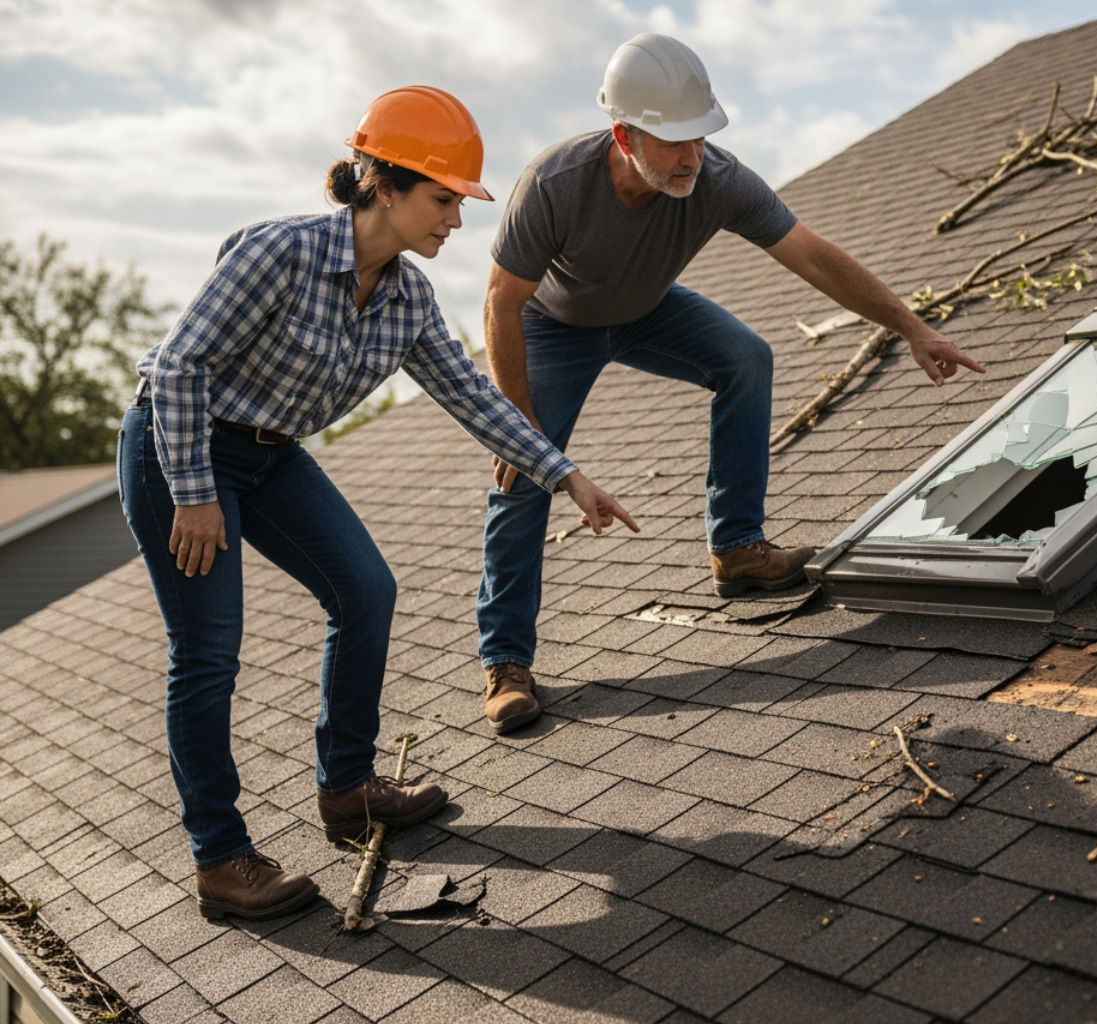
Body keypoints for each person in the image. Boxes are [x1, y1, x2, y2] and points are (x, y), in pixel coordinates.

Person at [118, 86, 637, 921]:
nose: (455, 224)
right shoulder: (279, 253)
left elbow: (473, 395)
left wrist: (566, 475)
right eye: (443, 200)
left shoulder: (407, 301)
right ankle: (220, 857)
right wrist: (193, 493)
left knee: (366, 590)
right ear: (382, 187)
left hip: (271, 454)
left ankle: (348, 787)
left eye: (461, 205)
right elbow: (178, 367)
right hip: (177, 446)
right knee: (209, 649)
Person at [475, 33, 983, 734]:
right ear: (625, 134)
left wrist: (912, 326)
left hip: (647, 308)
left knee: (745, 356)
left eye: (701, 138)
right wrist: (517, 425)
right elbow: (500, 303)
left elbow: (814, 256)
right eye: (675, 142)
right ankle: (506, 661)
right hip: (550, 326)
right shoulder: (555, 185)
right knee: (521, 469)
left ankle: (737, 550)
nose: (693, 157)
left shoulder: (716, 179)